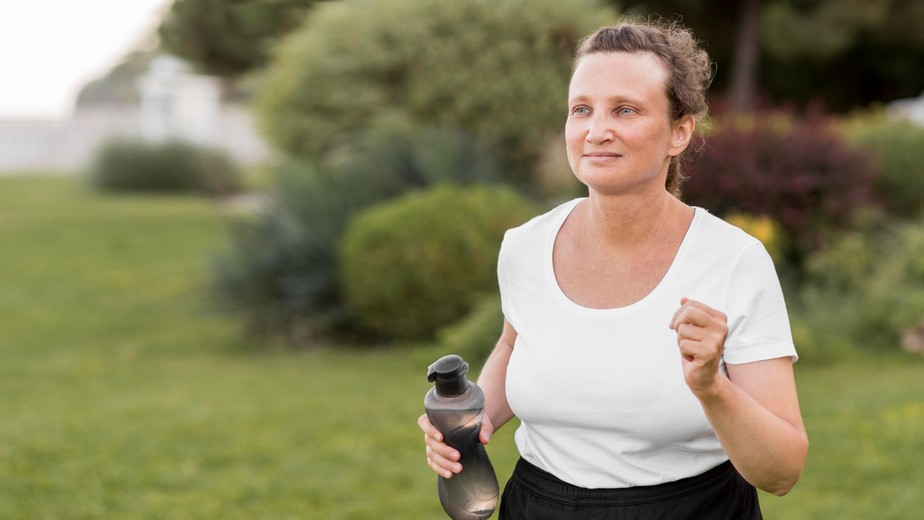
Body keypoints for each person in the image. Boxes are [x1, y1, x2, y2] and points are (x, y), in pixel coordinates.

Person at [419, 19, 807, 520]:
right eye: (582, 109)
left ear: (680, 131)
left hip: (690, 509)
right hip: (538, 506)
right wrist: (468, 425)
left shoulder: (733, 261)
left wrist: (713, 386)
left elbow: (782, 472)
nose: (596, 131)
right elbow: (517, 343)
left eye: (625, 109)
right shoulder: (525, 246)